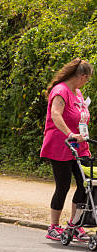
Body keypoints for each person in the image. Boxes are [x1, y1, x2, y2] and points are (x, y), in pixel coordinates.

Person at [41, 58, 93, 241]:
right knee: (62, 186)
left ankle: (75, 224)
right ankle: (53, 227)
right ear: (82, 76)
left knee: (86, 185)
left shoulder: (77, 92)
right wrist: (69, 134)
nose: (86, 83)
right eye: (87, 79)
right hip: (60, 144)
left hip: (80, 146)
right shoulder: (61, 90)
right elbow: (56, 114)